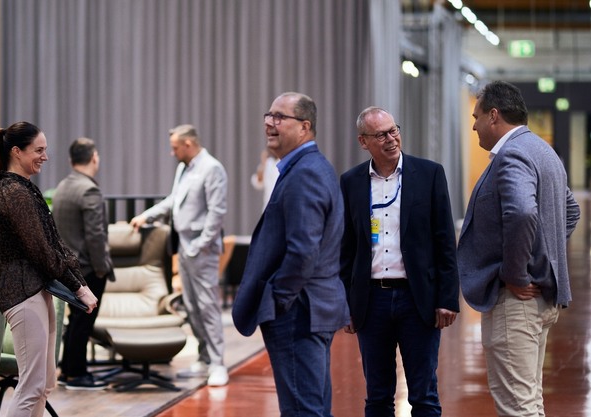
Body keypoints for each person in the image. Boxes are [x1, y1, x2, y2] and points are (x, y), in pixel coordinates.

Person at [457, 80, 580, 417]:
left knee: (518, 408)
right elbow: (571, 211)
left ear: (494, 115)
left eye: (477, 116)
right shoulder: (542, 150)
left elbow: (523, 213)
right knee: (529, 402)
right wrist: (543, 257)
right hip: (537, 302)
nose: (474, 125)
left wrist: (517, 273)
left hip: (515, 304)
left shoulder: (512, 154)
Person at [232, 92, 350, 416]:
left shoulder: (306, 172)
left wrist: (280, 299)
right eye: (268, 115)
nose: (270, 123)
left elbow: (302, 251)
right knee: (313, 408)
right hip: (309, 307)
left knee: (303, 411)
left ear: (304, 127)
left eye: (280, 117)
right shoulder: (308, 166)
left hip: (299, 311)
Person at [339, 106, 460, 417]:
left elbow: (445, 241)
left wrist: (447, 298)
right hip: (371, 302)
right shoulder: (351, 182)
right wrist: (344, 304)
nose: (391, 139)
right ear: (363, 141)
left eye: (394, 130)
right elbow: (346, 248)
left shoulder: (429, 174)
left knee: (424, 395)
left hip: (417, 300)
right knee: (377, 396)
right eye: (381, 135)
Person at [0, 121, 98, 417]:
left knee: (44, 384)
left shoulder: (24, 189)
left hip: (36, 290)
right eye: (39, 150)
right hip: (22, 294)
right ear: (17, 152)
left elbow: (54, 244)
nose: (45, 156)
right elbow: (43, 251)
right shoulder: (13, 193)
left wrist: (80, 284)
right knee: (32, 386)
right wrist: (78, 287)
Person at [129, 124, 229, 386]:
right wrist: (147, 216)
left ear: (188, 144)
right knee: (192, 306)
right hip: (184, 246)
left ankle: (218, 364)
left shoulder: (212, 168)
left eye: (175, 148)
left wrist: (201, 245)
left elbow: (216, 213)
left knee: (207, 306)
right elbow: (174, 200)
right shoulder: (184, 168)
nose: (172, 153)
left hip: (202, 250)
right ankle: (204, 358)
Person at [52, 137, 115, 390]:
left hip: (67, 268)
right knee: (83, 322)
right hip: (88, 268)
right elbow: (95, 236)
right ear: (94, 158)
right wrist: (102, 268)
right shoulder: (89, 190)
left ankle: (67, 369)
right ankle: (77, 374)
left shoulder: (63, 186)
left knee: (75, 321)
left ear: (71, 160)